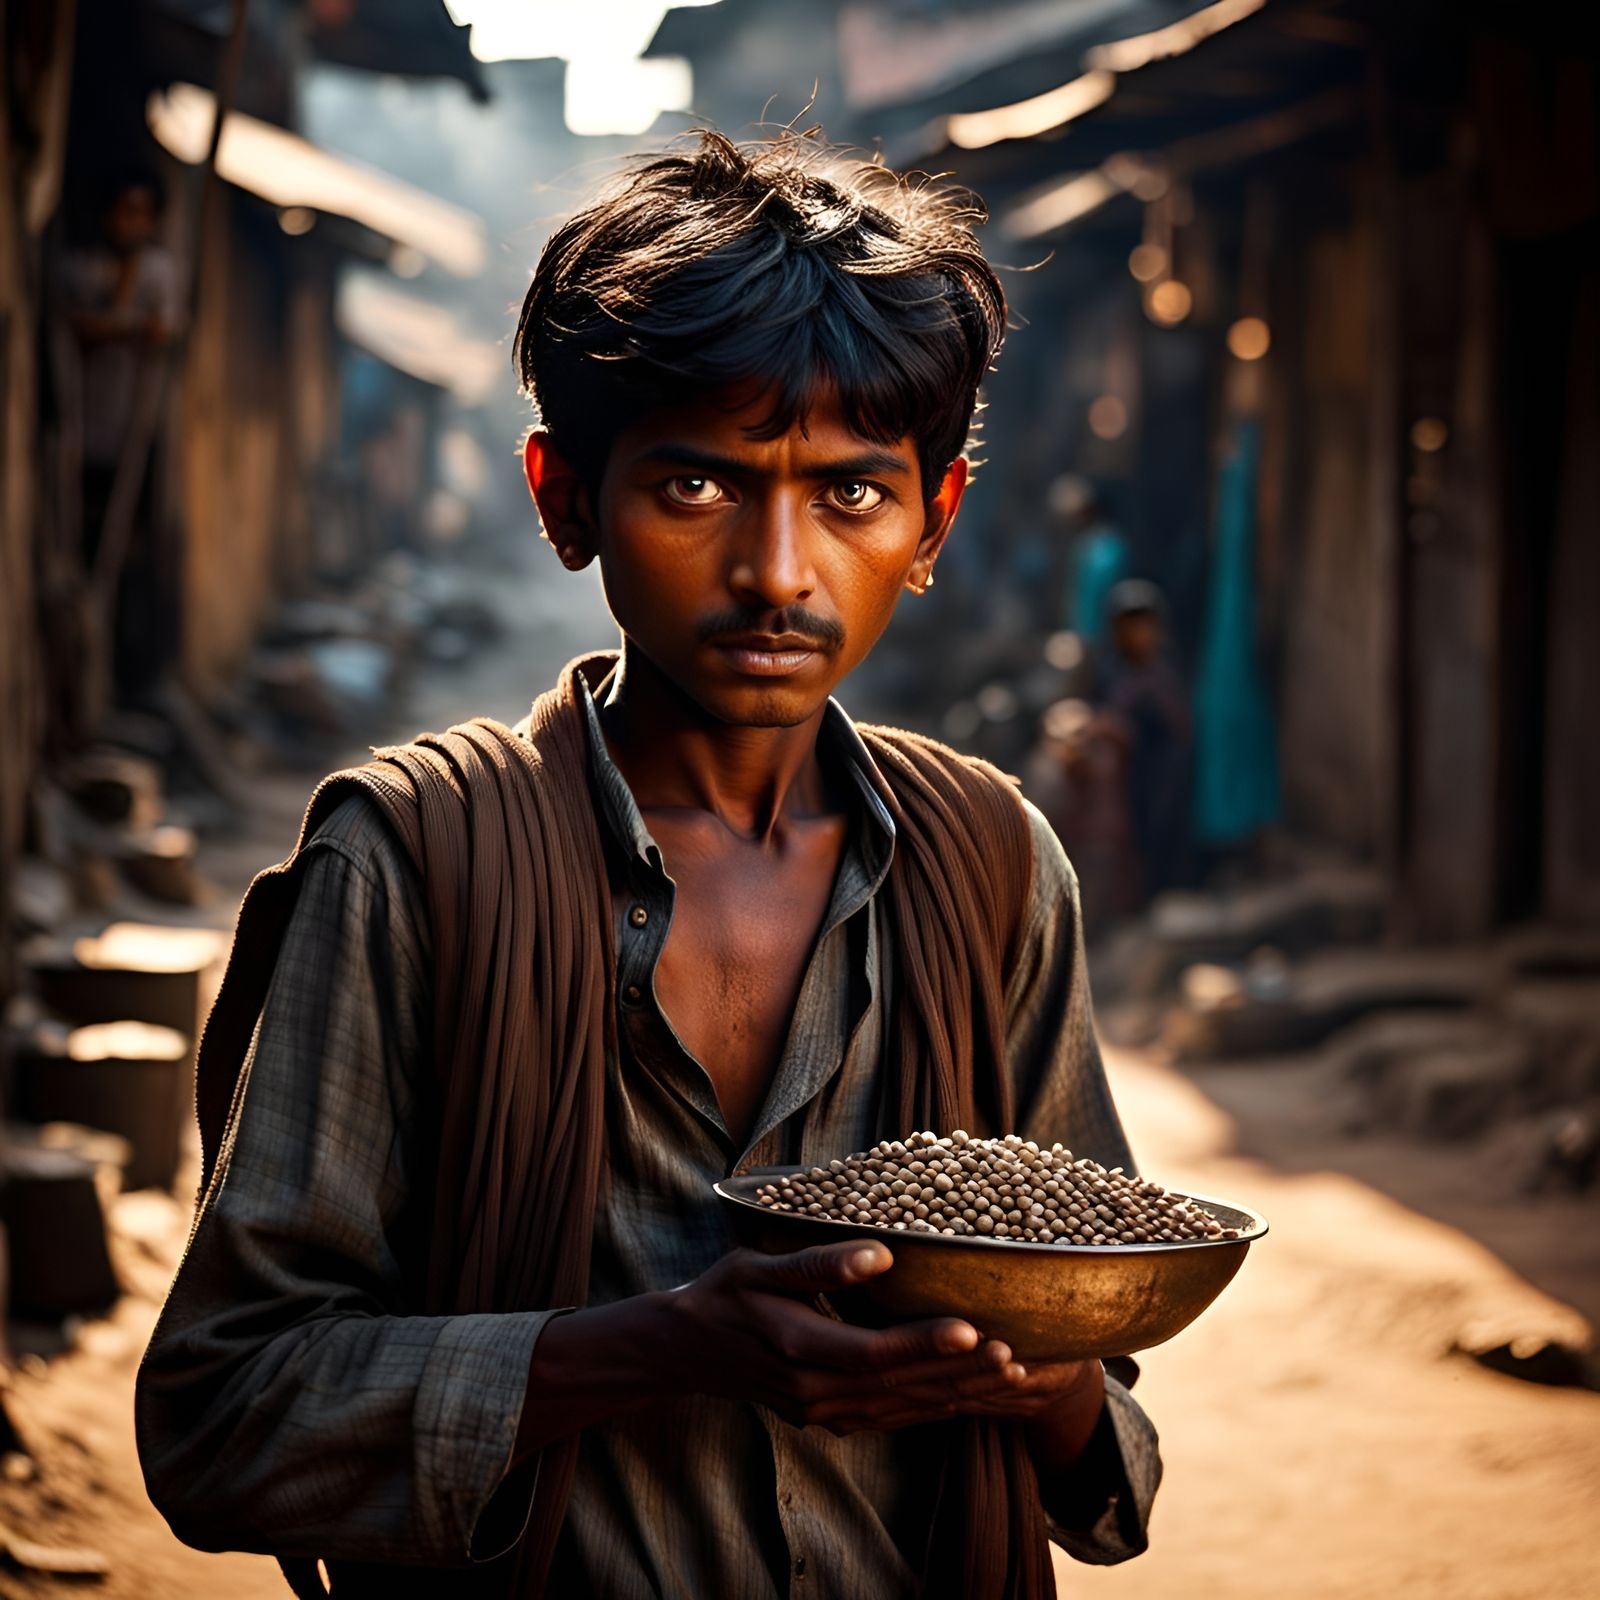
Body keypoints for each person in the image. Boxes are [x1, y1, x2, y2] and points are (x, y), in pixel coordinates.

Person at [135, 131, 1160, 1600]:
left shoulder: (990, 867)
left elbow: (1109, 1454)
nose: (778, 571)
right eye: (696, 488)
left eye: (854, 496)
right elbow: (223, 1423)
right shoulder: (417, 869)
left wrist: (1029, 1377)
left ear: (933, 521)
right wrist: (653, 1348)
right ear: (564, 501)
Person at [58, 167, 181, 694]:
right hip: (75, 434)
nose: (133, 222)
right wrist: (128, 322)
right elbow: (82, 325)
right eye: (125, 210)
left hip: (135, 434)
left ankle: (124, 679)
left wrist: (126, 321)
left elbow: (165, 330)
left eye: (143, 212)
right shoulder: (79, 266)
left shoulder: (159, 269)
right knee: (72, 545)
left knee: (128, 557)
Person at [1099, 580, 1191, 902]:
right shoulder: (1109, 672)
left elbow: (1179, 725)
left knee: (1161, 830)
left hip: (1162, 771)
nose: (1139, 635)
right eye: (1130, 627)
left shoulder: (1163, 674)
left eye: (1144, 626)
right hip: (1125, 775)